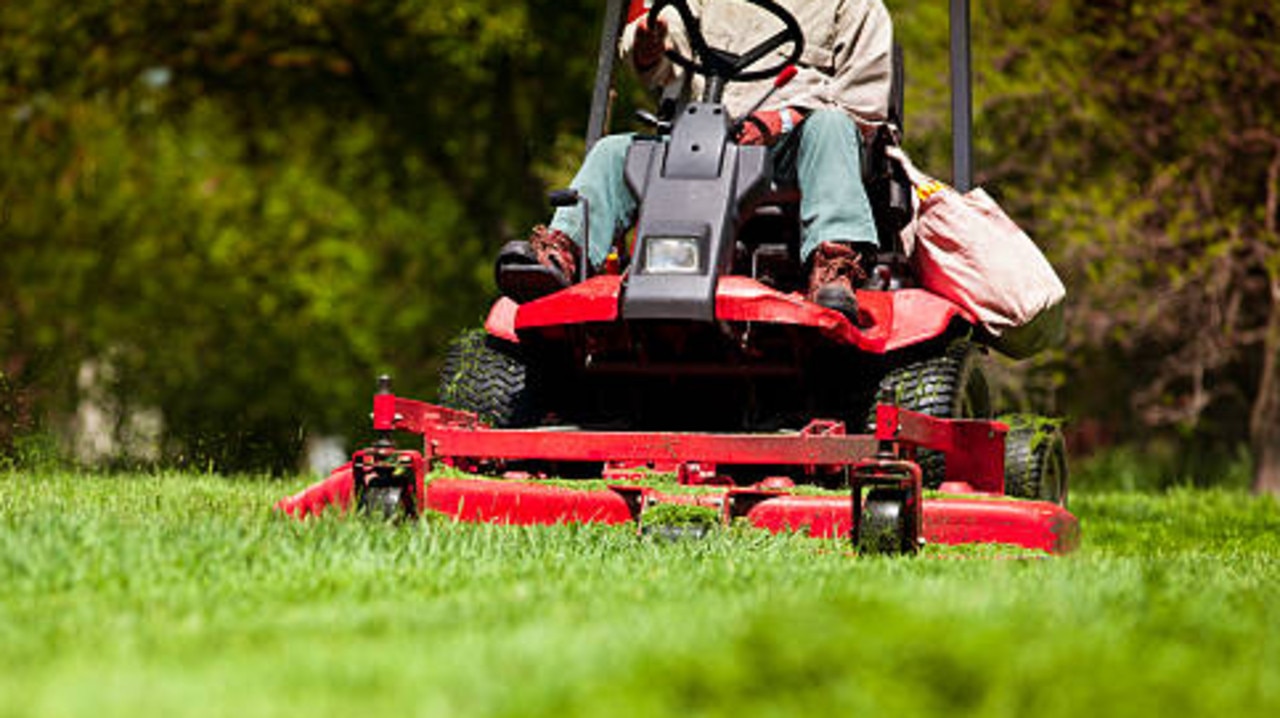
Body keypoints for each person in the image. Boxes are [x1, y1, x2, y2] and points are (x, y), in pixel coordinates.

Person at [499, 0, 893, 319]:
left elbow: (863, 104)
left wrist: (783, 119)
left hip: (796, 144)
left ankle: (834, 266)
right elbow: (665, 39)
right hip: (705, 134)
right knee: (614, 151)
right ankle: (563, 254)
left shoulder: (856, 6)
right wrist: (649, 44)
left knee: (832, 126)